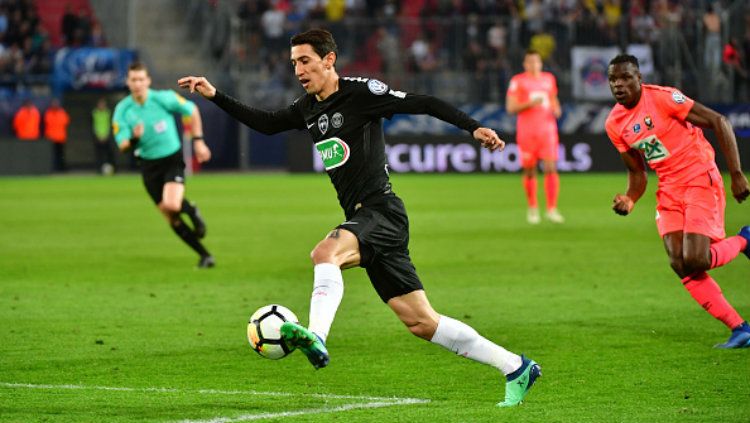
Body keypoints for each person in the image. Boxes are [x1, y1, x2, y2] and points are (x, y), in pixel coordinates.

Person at [179, 28, 541, 407]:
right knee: (421, 322)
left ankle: (317, 336)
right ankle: (516, 367)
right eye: (294, 63)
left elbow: (424, 102)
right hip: (367, 220)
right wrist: (214, 95)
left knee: (324, 253)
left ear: (328, 59)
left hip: (380, 210)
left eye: (305, 61)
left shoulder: (361, 93)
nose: (299, 70)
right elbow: (267, 123)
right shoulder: (308, 108)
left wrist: (473, 127)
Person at [605, 54, 750, 349]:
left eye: (625, 78)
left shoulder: (663, 98)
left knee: (696, 258)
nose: (618, 85)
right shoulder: (614, 124)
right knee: (680, 263)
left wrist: (736, 174)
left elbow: (718, 121)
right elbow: (637, 172)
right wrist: (630, 198)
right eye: (613, 80)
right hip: (669, 188)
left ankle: (746, 239)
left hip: (699, 177)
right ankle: (740, 328)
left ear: (639, 78)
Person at [113, 62, 215, 268]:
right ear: (128, 82)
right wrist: (133, 139)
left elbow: (192, 109)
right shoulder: (122, 110)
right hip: (148, 167)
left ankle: (192, 210)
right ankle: (205, 256)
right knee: (172, 218)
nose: (138, 83)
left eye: (141, 79)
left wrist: (198, 141)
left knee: (172, 205)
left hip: (171, 159)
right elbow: (122, 145)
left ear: (148, 81)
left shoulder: (162, 98)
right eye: (134, 80)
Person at [506, 49, 563, 224]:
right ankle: (532, 207)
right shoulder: (518, 81)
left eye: (536, 61)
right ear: (525, 64)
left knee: (551, 167)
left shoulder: (549, 79)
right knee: (530, 169)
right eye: (530, 62)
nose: (533, 65)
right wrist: (530, 103)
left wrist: (556, 108)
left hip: (547, 130)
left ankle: (552, 209)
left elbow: (554, 99)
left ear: (540, 63)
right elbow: (510, 108)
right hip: (527, 132)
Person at [43, 98, 70, 171]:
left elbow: (66, 122)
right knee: (52, 155)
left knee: (61, 154)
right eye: (53, 103)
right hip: (51, 137)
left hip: (60, 137)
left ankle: (61, 169)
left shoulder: (62, 112)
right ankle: (53, 169)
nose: (55, 105)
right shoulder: (48, 113)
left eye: (56, 103)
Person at [92, 97, 116, 175]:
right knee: (99, 154)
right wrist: (98, 136)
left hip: (107, 137)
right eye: (100, 104)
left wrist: (107, 135)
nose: (101, 106)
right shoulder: (94, 113)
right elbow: (93, 125)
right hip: (98, 137)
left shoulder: (108, 113)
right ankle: (99, 170)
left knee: (110, 153)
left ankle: (113, 169)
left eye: (103, 104)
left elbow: (110, 124)